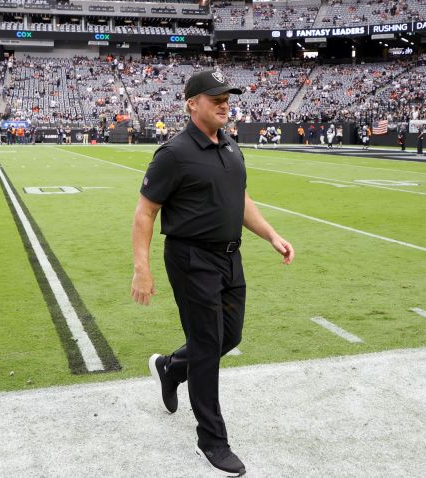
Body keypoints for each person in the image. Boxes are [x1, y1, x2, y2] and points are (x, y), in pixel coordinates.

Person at [132, 70, 295, 477]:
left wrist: (271, 234)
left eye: (228, 97)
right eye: (215, 97)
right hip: (191, 258)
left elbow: (239, 200)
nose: (225, 103)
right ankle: (212, 439)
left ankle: (171, 368)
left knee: (229, 336)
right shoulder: (174, 152)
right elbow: (145, 211)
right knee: (207, 344)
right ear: (192, 103)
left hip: (229, 257)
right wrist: (142, 269)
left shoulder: (231, 146)